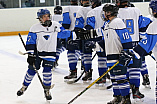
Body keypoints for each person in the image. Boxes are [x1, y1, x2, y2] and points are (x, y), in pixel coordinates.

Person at [77, 3, 133, 103]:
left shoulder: (117, 22)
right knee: (114, 78)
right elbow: (104, 39)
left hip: (117, 56)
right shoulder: (108, 24)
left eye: (104, 12)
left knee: (120, 78)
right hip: (110, 55)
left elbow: (126, 39)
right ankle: (118, 97)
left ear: (108, 13)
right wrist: (92, 43)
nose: (102, 14)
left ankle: (126, 99)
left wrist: (126, 52)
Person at [17, 9, 75, 100]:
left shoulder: (56, 25)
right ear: (40, 18)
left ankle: (47, 90)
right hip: (37, 53)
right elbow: (30, 42)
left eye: (48, 16)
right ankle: (24, 87)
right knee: (31, 70)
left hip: (50, 53)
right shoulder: (35, 28)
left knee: (47, 72)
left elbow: (63, 34)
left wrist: (75, 34)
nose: (47, 18)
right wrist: (30, 54)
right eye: (44, 17)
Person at [116, 0, 152, 100]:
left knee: (124, 69)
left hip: (121, 45)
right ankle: (136, 91)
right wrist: (142, 43)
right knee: (135, 68)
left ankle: (124, 95)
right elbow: (142, 27)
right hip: (135, 44)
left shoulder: (116, 12)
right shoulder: (136, 10)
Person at [63, 0, 92, 82]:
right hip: (88, 34)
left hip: (74, 34)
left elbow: (66, 24)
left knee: (71, 52)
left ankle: (73, 71)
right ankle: (88, 72)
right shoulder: (90, 9)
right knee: (86, 53)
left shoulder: (67, 8)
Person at [85, 0, 109, 88]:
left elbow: (89, 27)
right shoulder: (109, 8)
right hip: (112, 37)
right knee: (111, 57)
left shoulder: (92, 12)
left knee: (102, 58)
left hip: (99, 37)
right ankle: (111, 74)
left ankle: (103, 76)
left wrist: (90, 40)